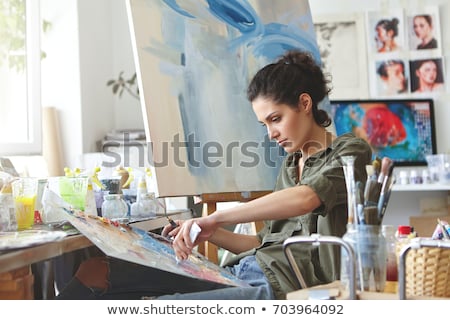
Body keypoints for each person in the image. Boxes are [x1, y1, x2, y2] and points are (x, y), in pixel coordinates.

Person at [56, 50, 372, 300]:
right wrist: (209, 233)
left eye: (276, 119)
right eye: (265, 125)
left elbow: (306, 199)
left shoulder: (350, 151)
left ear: (305, 104)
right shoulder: (290, 167)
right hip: (244, 271)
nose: (271, 134)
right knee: (96, 270)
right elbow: (260, 244)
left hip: (281, 288)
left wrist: (216, 218)